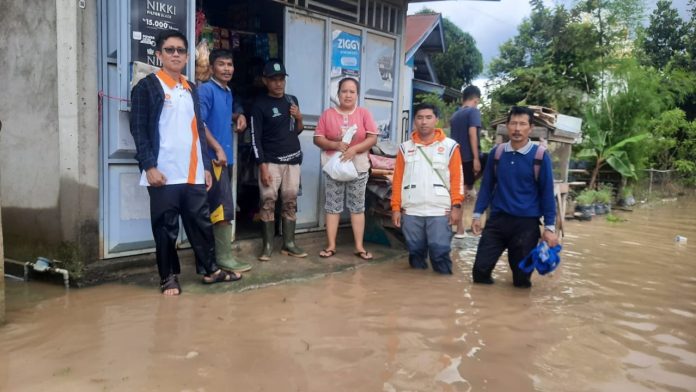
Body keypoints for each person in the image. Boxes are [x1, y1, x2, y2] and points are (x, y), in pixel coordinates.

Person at [130, 30, 241, 296]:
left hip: (192, 173)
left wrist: (204, 165)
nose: (175, 54)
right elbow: (139, 130)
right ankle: (168, 277)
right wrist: (149, 166)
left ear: (188, 56)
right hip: (163, 174)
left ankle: (210, 270)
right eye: (170, 50)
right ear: (159, 55)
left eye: (180, 50)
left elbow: (197, 132)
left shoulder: (191, 88)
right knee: (166, 229)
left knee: (201, 225)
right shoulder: (146, 87)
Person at [471, 106, 559, 288]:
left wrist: (550, 228)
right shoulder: (497, 153)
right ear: (507, 126)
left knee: (521, 281)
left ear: (530, 128)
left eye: (522, 124)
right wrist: (477, 214)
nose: (517, 128)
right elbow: (486, 186)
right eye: (513, 123)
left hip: (526, 226)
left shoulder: (540, 156)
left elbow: (547, 194)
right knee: (479, 272)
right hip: (497, 221)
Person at [391, 103, 464, 274]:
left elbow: (457, 179)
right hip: (411, 210)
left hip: (440, 210)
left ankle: (442, 294)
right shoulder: (405, 148)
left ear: (436, 120)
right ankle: (417, 293)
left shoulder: (450, 146)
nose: (424, 122)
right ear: (415, 121)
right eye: (420, 117)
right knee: (415, 253)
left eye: (428, 117)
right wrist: (395, 208)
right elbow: (397, 180)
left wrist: (456, 206)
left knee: (440, 253)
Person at [198, 49, 252, 273]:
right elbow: (199, 123)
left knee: (221, 207)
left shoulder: (227, 92)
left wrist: (238, 116)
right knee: (221, 209)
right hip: (214, 160)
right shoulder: (206, 90)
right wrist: (218, 147)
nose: (227, 68)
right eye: (221, 64)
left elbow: (221, 115)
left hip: (225, 159)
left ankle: (218, 255)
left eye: (230, 64)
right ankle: (224, 258)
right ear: (211, 67)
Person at [314, 77, 379, 260]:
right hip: (334, 166)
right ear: (338, 94)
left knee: (357, 206)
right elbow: (317, 139)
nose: (348, 95)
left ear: (357, 95)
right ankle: (331, 245)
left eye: (352, 91)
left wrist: (354, 149)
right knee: (332, 206)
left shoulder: (364, 114)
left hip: (358, 166)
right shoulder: (327, 114)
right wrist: (335, 145)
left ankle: (359, 246)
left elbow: (372, 138)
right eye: (344, 91)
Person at [250, 60, 307, 261]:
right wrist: (262, 166)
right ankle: (267, 245)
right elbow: (255, 138)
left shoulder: (292, 100)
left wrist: (299, 117)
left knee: (290, 201)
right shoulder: (259, 105)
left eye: (281, 79)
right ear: (265, 81)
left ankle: (289, 243)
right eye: (273, 79)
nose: (278, 83)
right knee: (267, 201)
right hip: (271, 162)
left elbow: (297, 130)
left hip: (293, 161)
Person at [450, 85, 485, 239]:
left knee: (460, 191)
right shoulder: (473, 112)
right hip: (468, 158)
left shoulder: (455, 115)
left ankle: (459, 230)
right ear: (476, 100)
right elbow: (472, 134)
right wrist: (476, 159)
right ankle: (472, 188)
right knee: (491, 159)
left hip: (455, 157)